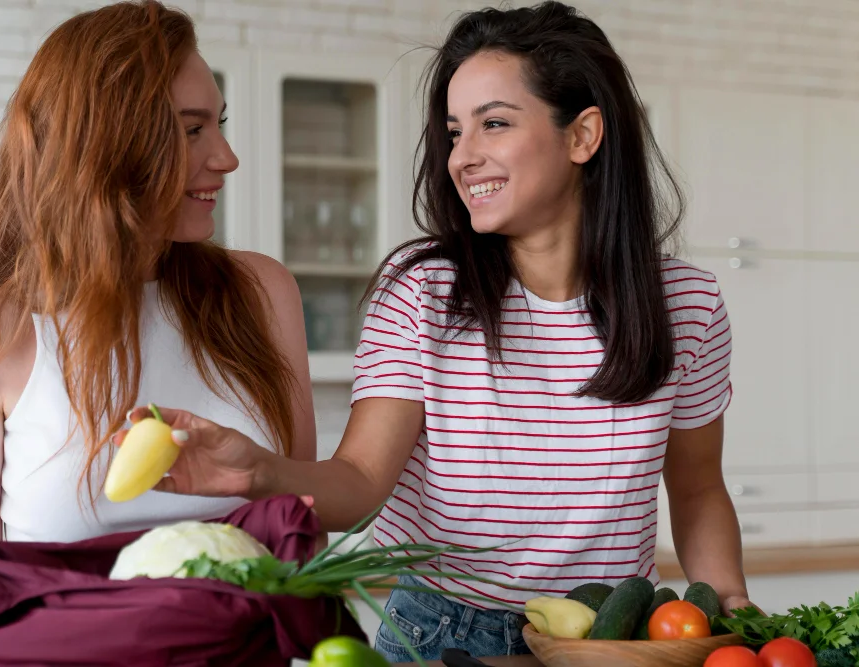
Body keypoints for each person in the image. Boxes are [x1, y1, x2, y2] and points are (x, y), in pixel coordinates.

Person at [117, 2, 755, 662]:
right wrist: (257, 471)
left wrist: (733, 608)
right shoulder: (423, 289)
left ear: (583, 135)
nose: (462, 157)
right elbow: (361, 479)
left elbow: (698, 486)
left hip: (610, 637)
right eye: (454, 133)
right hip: (442, 632)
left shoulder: (688, 303)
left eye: (494, 124)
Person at [0, 0, 315, 593]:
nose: (226, 158)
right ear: (103, 143)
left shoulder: (262, 293)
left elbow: (305, 524)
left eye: (220, 124)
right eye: (192, 130)